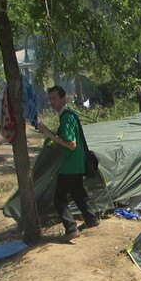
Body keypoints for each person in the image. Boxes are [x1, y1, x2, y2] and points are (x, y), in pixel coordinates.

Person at [37, 85, 99, 241]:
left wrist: (48, 134)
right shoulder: (69, 115)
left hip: (70, 165)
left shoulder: (66, 117)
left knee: (59, 198)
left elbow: (71, 143)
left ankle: (71, 229)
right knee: (78, 192)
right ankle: (91, 219)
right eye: (49, 98)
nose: (51, 102)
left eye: (54, 98)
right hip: (78, 163)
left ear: (63, 98)